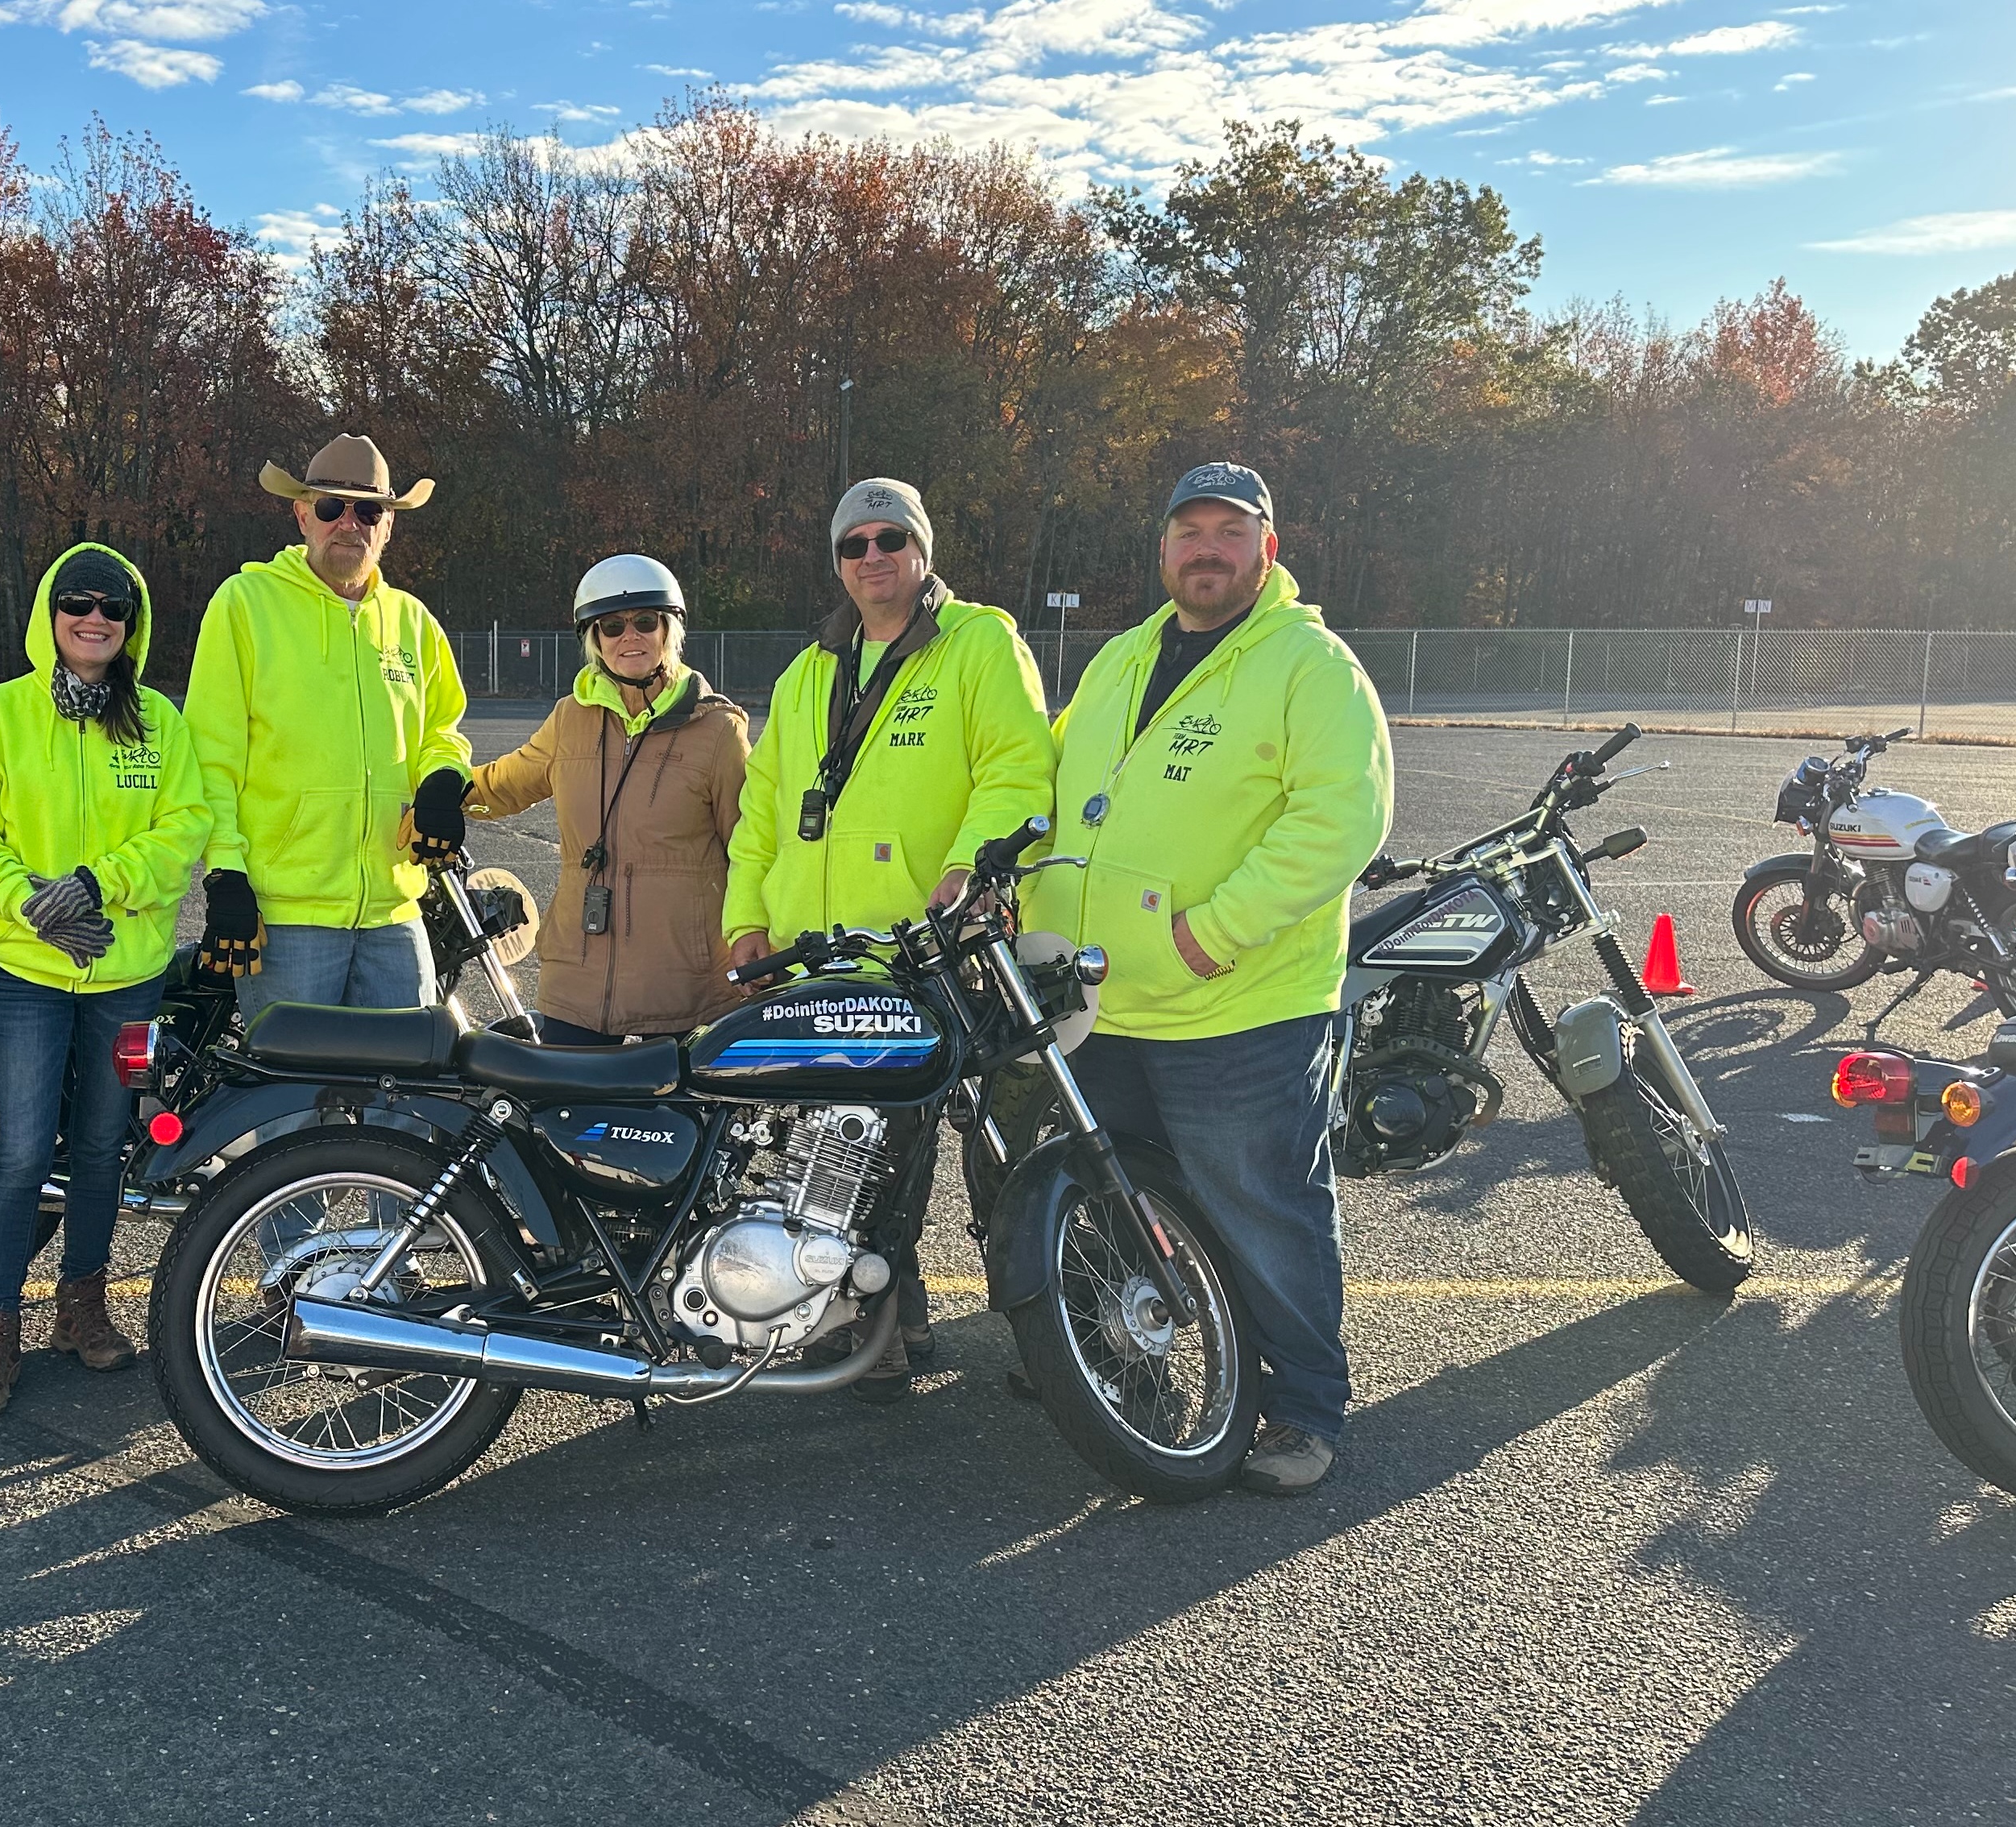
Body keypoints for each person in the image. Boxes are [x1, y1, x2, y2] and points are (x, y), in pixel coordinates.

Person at [1031, 461, 1392, 1496]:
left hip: (1234, 1004)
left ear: (1265, 550)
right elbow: (1063, 799)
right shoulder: (1118, 663)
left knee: (1262, 1209)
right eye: (1188, 530)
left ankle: (1305, 1411)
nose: (1206, 548)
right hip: (1101, 1002)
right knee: (1119, 1206)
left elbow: (1340, 823)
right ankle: (1127, 1363)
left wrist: (1210, 933)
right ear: (1163, 551)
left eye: (1229, 532)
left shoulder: (1309, 666)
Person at [724, 477, 1055, 1402]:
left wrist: (970, 867)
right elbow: (760, 816)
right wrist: (746, 920)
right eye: (854, 544)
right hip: (831, 962)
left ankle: (1050, 1334)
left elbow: (1017, 768)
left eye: (890, 539)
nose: (873, 557)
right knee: (859, 1157)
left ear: (923, 550)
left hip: (941, 953)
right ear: (837, 562)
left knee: (1004, 1152)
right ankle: (884, 1324)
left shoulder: (978, 644)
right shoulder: (803, 675)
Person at [0, 542, 210, 1422]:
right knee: (20, 1154)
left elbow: (184, 830)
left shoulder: (160, 723)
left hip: (129, 980)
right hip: (26, 972)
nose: (95, 618)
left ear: (134, 626)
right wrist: (32, 903)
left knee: (101, 1147)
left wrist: (98, 885)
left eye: (115, 608)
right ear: (48, 614)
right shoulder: (0, 716)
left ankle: (81, 1304)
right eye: (77, 602)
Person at [184, 434, 471, 1017]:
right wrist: (225, 875)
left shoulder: (413, 622)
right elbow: (210, 759)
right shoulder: (244, 605)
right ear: (301, 514)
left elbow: (442, 728)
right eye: (330, 507)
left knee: (405, 1102)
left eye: (368, 511)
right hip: (289, 920)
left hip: (394, 914)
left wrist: (443, 777)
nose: (349, 523)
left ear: (388, 525)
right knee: (294, 1105)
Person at [464, 555, 749, 1044]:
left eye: (645, 622)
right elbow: (504, 784)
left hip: (684, 990)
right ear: (594, 639)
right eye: (612, 626)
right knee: (563, 1118)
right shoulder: (571, 719)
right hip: (578, 985)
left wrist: (754, 938)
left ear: (669, 631)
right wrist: (433, 795)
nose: (629, 637)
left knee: (677, 1121)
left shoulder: (719, 732)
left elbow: (751, 849)